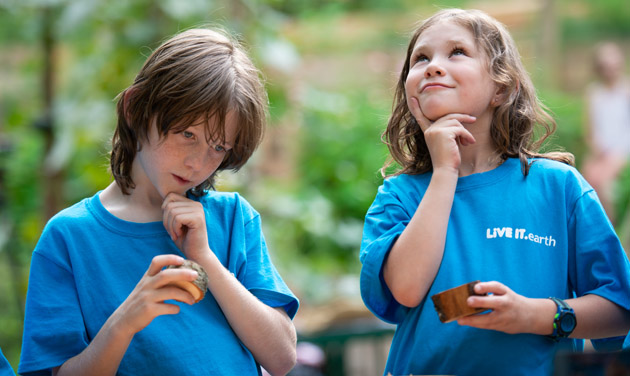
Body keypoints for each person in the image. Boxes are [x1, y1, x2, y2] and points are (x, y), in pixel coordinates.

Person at [359, 8, 630, 376]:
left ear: (502, 87)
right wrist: (444, 171)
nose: (433, 66)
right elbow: (406, 289)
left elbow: (619, 310)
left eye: (457, 52)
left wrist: (535, 315)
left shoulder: (560, 188)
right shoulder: (398, 196)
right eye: (421, 58)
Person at [18, 28, 298, 376]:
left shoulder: (234, 218)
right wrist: (125, 321)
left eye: (218, 147)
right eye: (187, 135)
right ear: (135, 109)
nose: (197, 162)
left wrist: (206, 259)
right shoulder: (70, 238)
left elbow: (282, 358)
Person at [581, 41, 630, 226]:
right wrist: (596, 147)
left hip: (621, 148)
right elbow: (590, 128)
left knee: (602, 181)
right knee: (587, 178)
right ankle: (593, 224)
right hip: (601, 149)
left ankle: (609, 226)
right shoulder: (594, 93)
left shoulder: (626, 91)